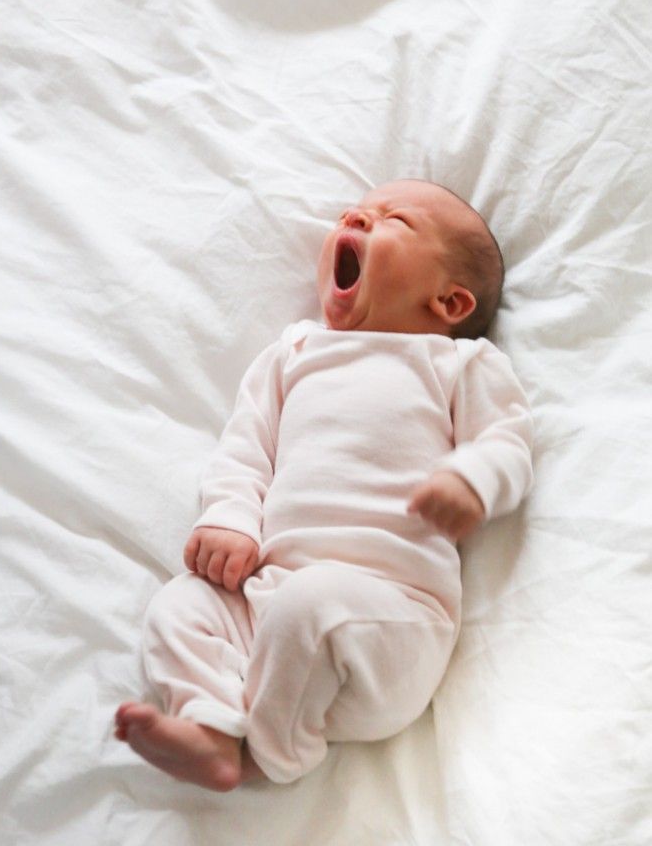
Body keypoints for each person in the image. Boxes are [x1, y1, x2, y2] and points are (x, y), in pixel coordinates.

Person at [114, 178, 533, 791]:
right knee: (181, 604)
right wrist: (229, 517)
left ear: (449, 303)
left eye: (394, 219)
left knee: (313, 605)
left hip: (388, 623)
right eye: (355, 213)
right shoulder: (296, 351)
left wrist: (471, 480)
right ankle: (209, 725)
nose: (357, 218)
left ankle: (270, 750)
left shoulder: (457, 365)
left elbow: (507, 442)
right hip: (269, 608)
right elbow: (247, 444)